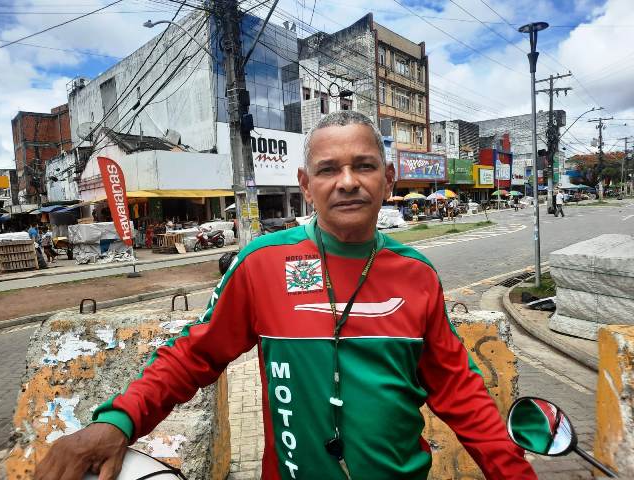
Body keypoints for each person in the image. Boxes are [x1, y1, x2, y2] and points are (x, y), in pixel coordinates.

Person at [36, 111, 536, 480]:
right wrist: (120, 421)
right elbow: (194, 354)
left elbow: (459, 391)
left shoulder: (418, 275)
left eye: (363, 166)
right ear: (306, 184)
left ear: (387, 181)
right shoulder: (261, 265)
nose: (347, 183)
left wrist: (514, 473)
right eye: (327, 169)